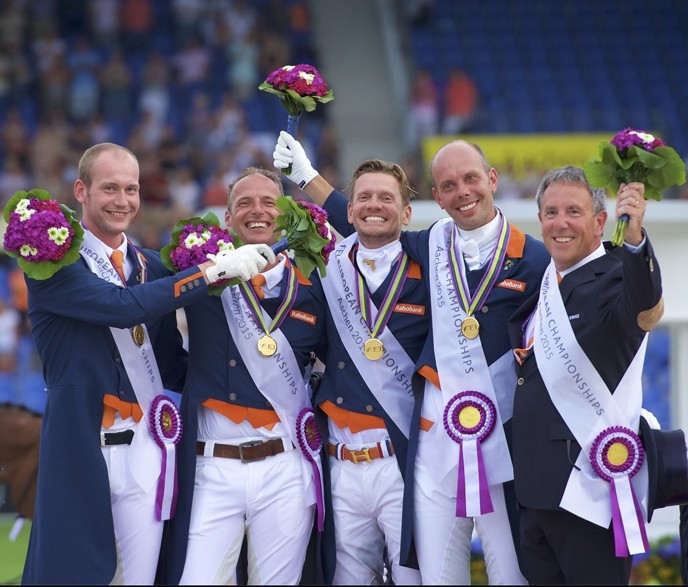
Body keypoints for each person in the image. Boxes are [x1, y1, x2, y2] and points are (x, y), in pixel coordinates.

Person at [274, 133, 550, 584]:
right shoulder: (431, 244)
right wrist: (306, 177)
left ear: (492, 179)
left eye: (471, 179)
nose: (462, 192)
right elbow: (368, 224)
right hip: (434, 440)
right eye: (449, 185)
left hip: (500, 440)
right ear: (437, 198)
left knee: (510, 574)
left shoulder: (535, 258)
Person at [21, 143, 274, 585]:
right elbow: (121, 308)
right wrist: (211, 271)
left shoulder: (151, 268)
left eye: (131, 189)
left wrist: (253, 383)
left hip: (148, 446)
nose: (122, 201)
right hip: (82, 445)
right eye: (110, 188)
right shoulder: (54, 263)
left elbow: (173, 364)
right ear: (81, 191)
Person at [161, 167, 327, 585]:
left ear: (286, 214)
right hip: (212, 465)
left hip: (285, 464)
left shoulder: (313, 287)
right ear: (228, 218)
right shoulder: (200, 275)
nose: (257, 211)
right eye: (244, 204)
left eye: (269, 202)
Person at [508, 166, 664, 584]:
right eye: (551, 212)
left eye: (573, 212)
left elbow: (642, 303)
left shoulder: (616, 274)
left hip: (589, 493)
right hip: (534, 493)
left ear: (599, 222)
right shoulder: (544, 284)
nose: (560, 223)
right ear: (539, 220)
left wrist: (635, 239)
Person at [312, 159, 427, 584]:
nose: (373, 205)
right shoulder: (326, 269)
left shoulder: (429, 272)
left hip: (401, 458)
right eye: (364, 197)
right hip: (340, 460)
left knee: (412, 576)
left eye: (385, 198)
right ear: (349, 210)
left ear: (407, 213)